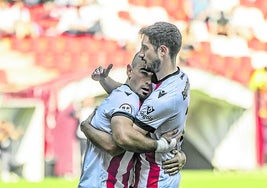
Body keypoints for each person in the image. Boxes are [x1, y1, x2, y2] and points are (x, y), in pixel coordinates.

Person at [84, 21, 190, 187]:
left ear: (162, 51)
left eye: (145, 48)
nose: (141, 53)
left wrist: (87, 128)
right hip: (157, 177)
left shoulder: (164, 98)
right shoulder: (179, 79)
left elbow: (120, 141)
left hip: (152, 181)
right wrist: (105, 81)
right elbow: (131, 92)